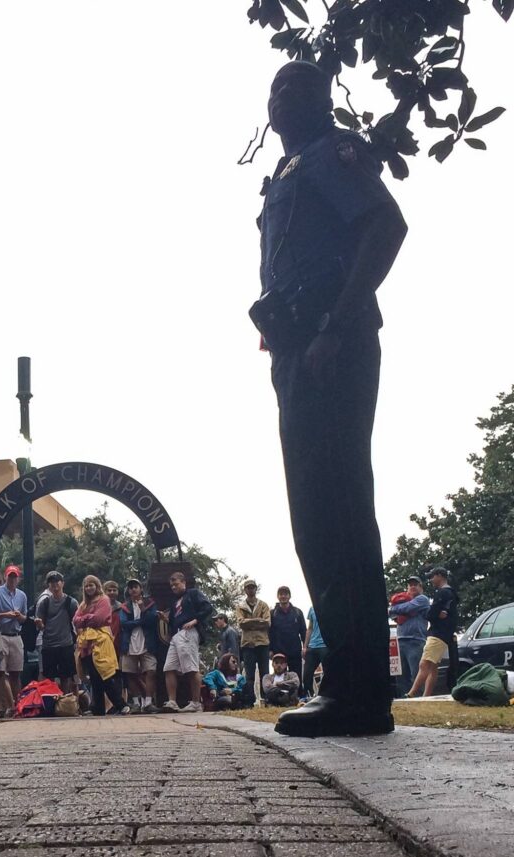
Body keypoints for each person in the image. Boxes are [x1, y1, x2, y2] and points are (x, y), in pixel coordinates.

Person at [253, 60, 408, 738]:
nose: (280, 97)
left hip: (331, 346)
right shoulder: (285, 173)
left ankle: (362, 689)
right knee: (313, 513)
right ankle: (348, 678)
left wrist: (334, 325)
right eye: (273, 89)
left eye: (295, 87)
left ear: (321, 99)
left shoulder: (332, 154)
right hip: (297, 350)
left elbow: (387, 225)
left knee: (339, 506)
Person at [73, 575, 127, 716]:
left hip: (101, 642)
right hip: (87, 644)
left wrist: (84, 619)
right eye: (86, 585)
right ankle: (98, 708)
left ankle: (121, 704)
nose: (89, 588)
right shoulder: (84, 603)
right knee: (94, 677)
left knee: (105, 674)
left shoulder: (103, 600)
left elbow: (100, 619)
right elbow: (75, 620)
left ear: (97, 586)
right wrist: (88, 619)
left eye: (92, 585)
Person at [160, 571, 213, 713]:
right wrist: (166, 620)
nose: (173, 587)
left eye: (176, 584)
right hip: (176, 634)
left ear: (183, 582)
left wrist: (195, 620)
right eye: (171, 585)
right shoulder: (174, 601)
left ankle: (196, 702)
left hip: (189, 632)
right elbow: (174, 619)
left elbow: (208, 607)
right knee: (169, 667)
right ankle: (172, 701)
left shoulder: (193, 594)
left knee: (191, 667)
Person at [407, 568, 458, 699]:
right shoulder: (452, 593)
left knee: (424, 664)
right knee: (433, 666)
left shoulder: (442, 593)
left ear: (440, 576)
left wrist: (433, 613)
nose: (430, 580)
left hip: (437, 634)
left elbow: (431, 614)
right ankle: (426, 695)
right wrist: (437, 613)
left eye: (432, 577)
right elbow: (441, 613)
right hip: (444, 634)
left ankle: (411, 693)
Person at [118, 578, 160, 714]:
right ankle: (136, 703)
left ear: (141, 589)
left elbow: (153, 621)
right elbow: (123, 623)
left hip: (147, 643)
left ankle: (148, 702)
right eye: (130, 588)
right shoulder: (125, 607)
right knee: (130, 673)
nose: (133, 590)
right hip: (129, 644)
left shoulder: (150, 604)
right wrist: (141, 621)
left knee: (151, 672)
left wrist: (143, 610)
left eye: (135, 587)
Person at [35, 571, 79, 693]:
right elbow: (41, 626)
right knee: (49, 677)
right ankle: (51, 702)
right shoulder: (45, 602)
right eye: (51, 582)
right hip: (49, 644)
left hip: (66, 643)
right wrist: (39, 624)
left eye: (57, 581)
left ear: (62, 583)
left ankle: (65, 702)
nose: (54, 585)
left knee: (66, 676)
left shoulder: (71, 602)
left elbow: (77, 623)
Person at [0, 565, 28, 718]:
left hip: (16, 634)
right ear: (5, 577)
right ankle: (3, 706)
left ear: (18, 578)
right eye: (10, 576)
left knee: (15, 673)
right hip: (1, 634)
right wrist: (6, 614)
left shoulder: (22, 596)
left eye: (15, 577)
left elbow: (25, 618)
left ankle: (18, 705)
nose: (12, 579)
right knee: (0, 672)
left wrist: (20, 616)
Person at [389, 576, 430, 697]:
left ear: (421, 588)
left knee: (417, 673)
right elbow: (391, 612)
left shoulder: (422, 599)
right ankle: (405, 700)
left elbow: (406, 608)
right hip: (400, 640)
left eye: (415, 584)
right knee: (401, 676)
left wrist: (398, 609)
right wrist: (397, 610)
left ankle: (421, 700)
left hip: (416, 641)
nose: (412, 586)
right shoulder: (402, 600)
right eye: (410, 585)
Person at [235, 580, 271, 707]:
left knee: (265, 673)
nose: (250, 590)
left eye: (252, 587)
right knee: (249, 675)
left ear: (256, 589)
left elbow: (267, 623)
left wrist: (250, 622)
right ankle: (249, 701)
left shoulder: (264, 605)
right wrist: (258, 621)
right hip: (247, 644)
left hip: (262, 643)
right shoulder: (240, 606)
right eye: (248, 588)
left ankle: (267, 700)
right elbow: (241, 623)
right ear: (245, 590)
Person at [269, 587, 306, 677]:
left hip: (295, 652)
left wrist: (305, 648)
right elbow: (269, 633)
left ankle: (299, 692)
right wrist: (269, 650)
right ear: (278, 596)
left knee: (296, 680)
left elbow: (303, 631)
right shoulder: (272, 614)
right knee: (280, 680)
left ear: (289, 596)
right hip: (279, 653)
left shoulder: (297, 612)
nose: (283, 596)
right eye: (281, 594)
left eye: (285, 594)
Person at [302, 606, 328, 699]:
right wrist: (305, 646)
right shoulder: (312, 608)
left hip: (325, 645)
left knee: (328, 673)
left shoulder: (331, 605)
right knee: (307, 674)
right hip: (312, 646)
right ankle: (308, 696)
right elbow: (310, 628)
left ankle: (325, 696)